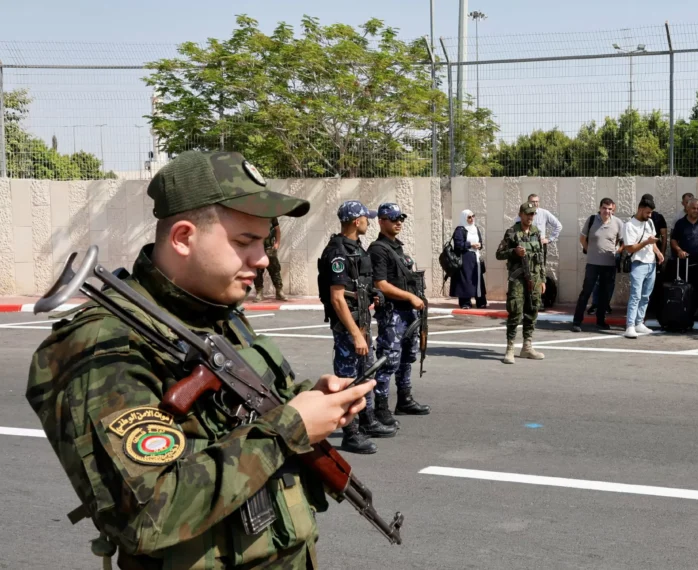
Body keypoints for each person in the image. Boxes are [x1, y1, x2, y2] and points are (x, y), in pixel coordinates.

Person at [26, 151, 373, 568]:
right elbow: (145, 517)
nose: (261, 258)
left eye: (264, 241)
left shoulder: (215, 312)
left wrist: (308, 399)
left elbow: (240, 414)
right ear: (184, 237)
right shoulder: (102, 345)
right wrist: (288, 428)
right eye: (245, 242)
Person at [320, 200, 395, 452]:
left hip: (362, 323)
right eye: (366, 218)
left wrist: (373, 294)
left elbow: (358, 285)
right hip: (348, 329)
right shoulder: (337, 252)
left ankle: (367, 421)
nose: (368, 221)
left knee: (366, 374)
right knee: (348, 380)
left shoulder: (356, 248)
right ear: (356, 221)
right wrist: (356, 335)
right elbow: (337, 298)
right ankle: (351, 434)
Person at [368, 203, 430, 417]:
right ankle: (381, 408)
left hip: (407, 314)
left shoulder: (397, 248)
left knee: (406, 358)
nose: (398, 222)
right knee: (389, 360)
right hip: (393, 313)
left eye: (400, 219)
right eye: (393, 219)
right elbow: (381, 283)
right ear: (381, 221)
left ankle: (404, 400)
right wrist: (410, 296)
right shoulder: (378, 249)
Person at [497, 202, 547, 363]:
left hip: (534, 278)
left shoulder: (536, 232)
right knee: (515, 311)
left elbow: (541, 258)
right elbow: (499, 253)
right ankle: (510, 348)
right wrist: (514, 252)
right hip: (517, 279)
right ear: (521, 214)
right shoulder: (512, 232)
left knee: (532, 310)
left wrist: (543, 279)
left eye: (533, 214)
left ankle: (527, 347)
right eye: (528, 214)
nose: (530, 217)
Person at [573, 198, 624, 331]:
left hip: (609, 265)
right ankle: (577, 322)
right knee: (586, 292)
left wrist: (617, 250)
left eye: (609, 209)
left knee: (604, 294)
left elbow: (623, 241)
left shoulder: (618, 223)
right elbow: (582, 238)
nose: (606, 211)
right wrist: (589, 250)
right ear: (600, 208)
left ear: (613, 209)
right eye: (604, 208)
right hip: (592, 264)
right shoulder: (591, 220)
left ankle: (600, 321)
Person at [623, 196, 665, 338]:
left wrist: (658, 253)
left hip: (651, 263)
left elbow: (652, 241)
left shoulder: (650, 222)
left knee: (646, 296)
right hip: (638, 264)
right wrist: (647, 242)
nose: (649, 215)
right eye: (647, 212)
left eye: (651, 213)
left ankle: (639, 322)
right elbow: (630, 248)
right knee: (636, 295)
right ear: (640, 209)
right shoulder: (629, 225)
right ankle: (630, 325)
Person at [450, 209, 487, 309]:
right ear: (464, 218)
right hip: (465, 259)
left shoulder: (475, 229)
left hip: (476, 259)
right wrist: (470, 245)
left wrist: (479, 245)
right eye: (469, 217)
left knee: (478, 280)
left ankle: (481, 301)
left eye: (473, 216)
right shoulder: (460, 229)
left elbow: (480, 242)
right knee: (465, 280)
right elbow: (458, 245)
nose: (471, 219)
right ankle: (465, 303)